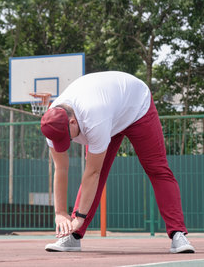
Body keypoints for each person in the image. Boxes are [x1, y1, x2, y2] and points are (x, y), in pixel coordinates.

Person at [40, 71, 195, 254]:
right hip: (110, 109)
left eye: (67, 138)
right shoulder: (51, 123)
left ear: (73, 122)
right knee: (98, 172)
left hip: (136, 107)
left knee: (156, 169)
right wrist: (60, 213)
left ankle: (178, 234)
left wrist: (80, 217)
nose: (67, 143)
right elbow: (61, 168)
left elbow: (92, 173)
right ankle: (73, 237)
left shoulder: (93, 117)